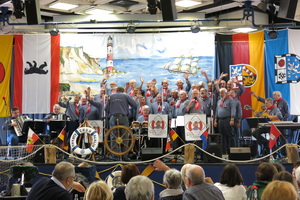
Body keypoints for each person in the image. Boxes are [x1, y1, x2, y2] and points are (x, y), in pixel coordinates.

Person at [105, 86, 137, 159]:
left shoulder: (111, 96)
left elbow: (106, 108)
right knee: (125, 136)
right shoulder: (126, 96)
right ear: (123, 91)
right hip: (123, 118)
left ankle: (115, 155)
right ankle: (124, 156)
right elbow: (134, 105)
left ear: (116, 90)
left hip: (113, 117)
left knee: (113, 137)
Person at [214, 88, 236, 155]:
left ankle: (232, 152)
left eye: (222, 92)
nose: (221, 94)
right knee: (222, 136)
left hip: (228, 119)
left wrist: (232, 119)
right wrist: (215, 120)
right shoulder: (219, 101)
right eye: (220, 93)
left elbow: (233, 110)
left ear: (226, 93)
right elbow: (217, 111)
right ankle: (224, 152)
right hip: (220, 120)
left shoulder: (231, 100)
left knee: (230, 136)